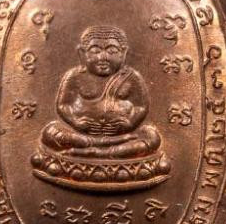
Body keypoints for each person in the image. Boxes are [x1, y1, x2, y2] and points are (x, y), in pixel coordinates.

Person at [40, 26, 161, 159]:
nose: (103, 57)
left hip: (124, 135)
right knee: (50, 132)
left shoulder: (132, 77)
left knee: (152, 136)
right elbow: (63, 104)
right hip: (81, 135)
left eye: (112, 51)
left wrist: (130, 122)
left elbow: (141, 106)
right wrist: (75, 121)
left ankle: (98, 152)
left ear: (123, 53)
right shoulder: (74, 76)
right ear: (82, 53)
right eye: (95, 51)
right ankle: (100, 146)